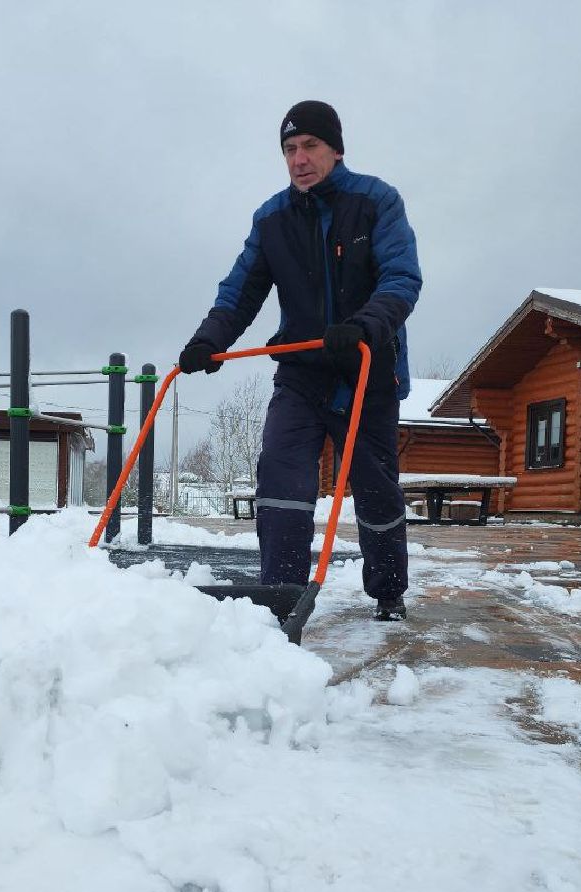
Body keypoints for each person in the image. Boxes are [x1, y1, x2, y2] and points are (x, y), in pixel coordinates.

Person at [179, 100, 422, 620]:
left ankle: (387, 592)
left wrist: (365, 324)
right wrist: (209, 340)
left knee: (376, 490)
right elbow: (239, 292)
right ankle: (279, 597)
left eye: (309, 145)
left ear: (335, 149)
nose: (299, 158)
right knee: (282, 477)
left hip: (366, 368)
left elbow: (402, 278)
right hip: (303, 372)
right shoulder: (272, 219)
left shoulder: (376, 201)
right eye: (289, 149)